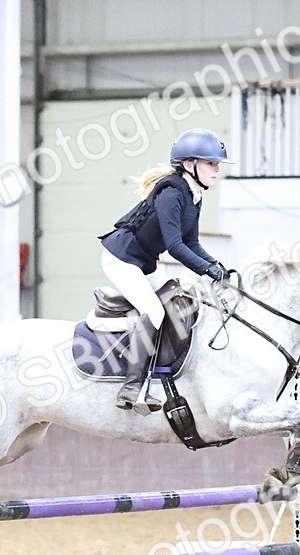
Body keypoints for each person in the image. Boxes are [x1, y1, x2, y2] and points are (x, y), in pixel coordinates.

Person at [97, 128, 231, 413]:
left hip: (143, 261)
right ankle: (131, 386)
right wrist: (207, 270)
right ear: (188, 165)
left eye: (217, 164)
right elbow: (174, 246)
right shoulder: (172, 192)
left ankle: (158, 374)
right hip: (121, 258)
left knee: (174, 301)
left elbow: (192, 242)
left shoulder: (195, 195)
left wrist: (217, 267)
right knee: (155, 311)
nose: (216, 169)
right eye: (210, 163)